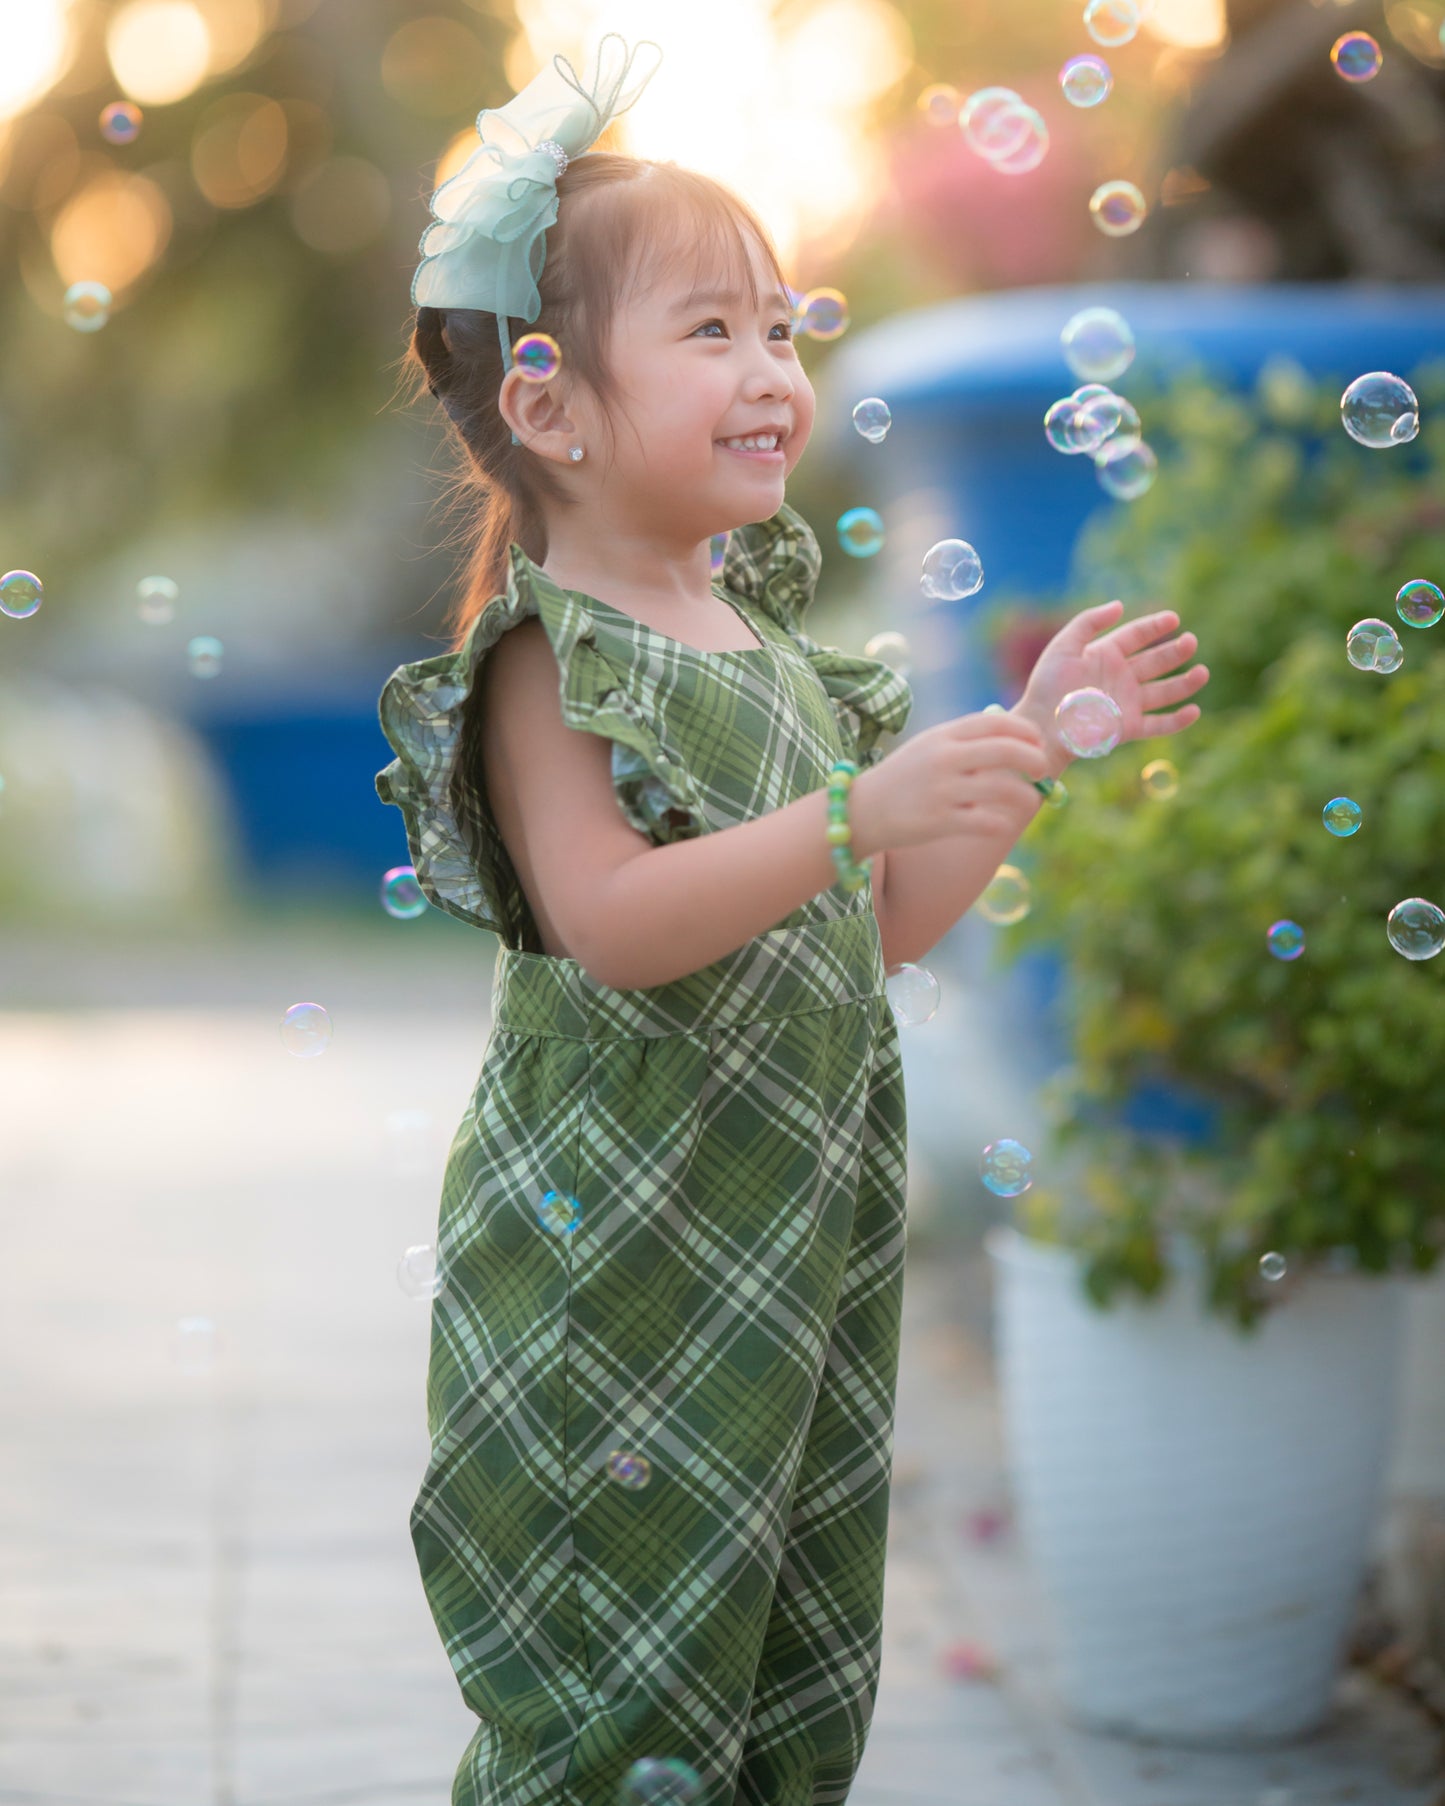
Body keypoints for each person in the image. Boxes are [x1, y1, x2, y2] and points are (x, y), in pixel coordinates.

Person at [375, 36, 1208, 1806]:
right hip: (625, 1264)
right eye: (710, 331)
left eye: (783, 329)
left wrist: (1017, 764)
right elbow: (609, 921)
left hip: (788, 1257)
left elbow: (874, 927)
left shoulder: (769, 648)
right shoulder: (551, 659)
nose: (770, 369)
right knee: (626, 1692)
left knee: (774, 1675)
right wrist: (848, 812)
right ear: (548, 406)